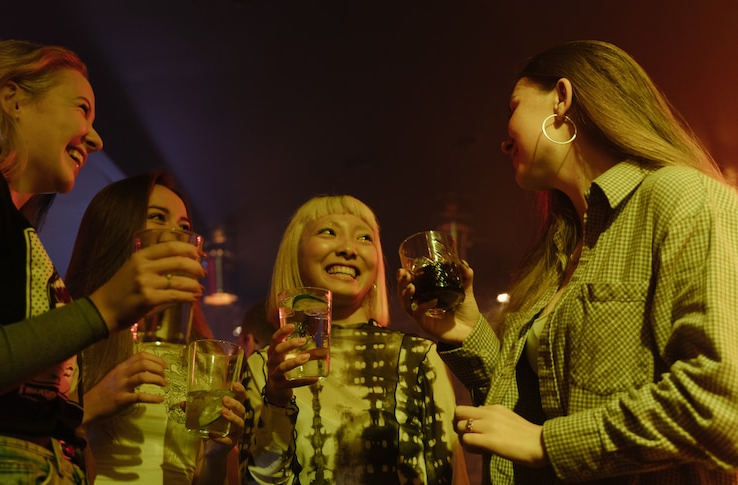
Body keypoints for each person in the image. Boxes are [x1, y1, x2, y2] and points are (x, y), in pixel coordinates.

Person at [398, 40, 738, 484]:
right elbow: (531, 406)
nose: (503, 140)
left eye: (512, 108)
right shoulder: (561, 249)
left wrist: (548, 444)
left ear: (561, 99)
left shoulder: (681, 197)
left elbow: (720, 404)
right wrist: (464, 332)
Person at [0, 40, 204, 484]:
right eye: (81, 109)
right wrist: (101, 310)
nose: (96, 136)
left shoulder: (16, 229)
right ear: (13, 99)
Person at [240, 194, 469, 484]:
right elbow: (258, 479)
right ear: (295, 253)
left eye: (364, 237)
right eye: (328, 231)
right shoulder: (265, 366)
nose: (348, 248)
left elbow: (451, 475)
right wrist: (277, 400)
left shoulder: (417, 355)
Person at [65, 172, 246, 484]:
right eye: (157, 218)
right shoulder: (74, 332)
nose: (176, 234)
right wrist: (91, 406)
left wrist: (216, 454)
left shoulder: (203, 355)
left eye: (185, 227)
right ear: (117, 231)